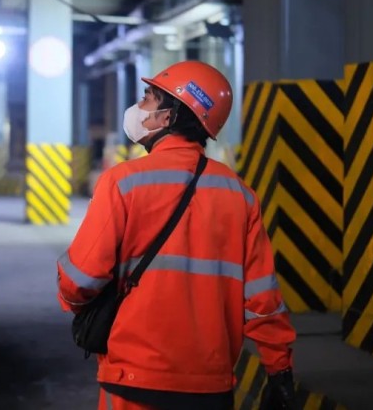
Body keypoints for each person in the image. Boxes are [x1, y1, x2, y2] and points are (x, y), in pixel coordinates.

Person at [57, 61, 297, 410]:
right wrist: (279, 369)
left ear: (168, 117)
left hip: (134, 378)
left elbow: (79, 279)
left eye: (148, 99)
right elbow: (263, 298)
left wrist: (77, 304)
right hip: (210, 385)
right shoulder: (240, 194)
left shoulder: (122, 182)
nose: (139, 107)